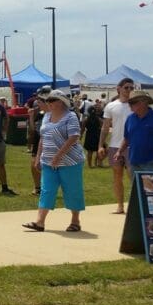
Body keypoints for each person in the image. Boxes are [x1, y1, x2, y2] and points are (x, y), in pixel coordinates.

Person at [23, 90, 85, 233]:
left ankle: (75, 221)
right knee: (46, 190)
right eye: (48, 101)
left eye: (52, 100)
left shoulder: (71, 116)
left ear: (61, 102)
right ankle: (40, 222)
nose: (48, 103)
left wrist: (58, 156)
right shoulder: (47, 117)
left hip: (70, 161)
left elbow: (74, 137)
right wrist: (38, 157)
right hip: (48, 161)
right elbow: (43, 138)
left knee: (72, 190)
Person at [98, 78, 134, 214]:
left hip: (132, 146)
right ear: (119, 88)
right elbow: (105, 127)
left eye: (131, 88)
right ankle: (120, 206)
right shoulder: (111, 106)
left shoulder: (135, 105)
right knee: (117, 176)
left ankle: (134, 206)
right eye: (127, 87)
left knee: (133, 177)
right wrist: (101, 145)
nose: (129, 90)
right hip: (114, 146)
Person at [118, 90, 153, 172]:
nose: (130, 105)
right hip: (134, 162)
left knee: (150, 185)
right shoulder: (130, 118)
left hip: (152, 162)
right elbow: (127, 139)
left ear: (144, 102)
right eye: (129, 103)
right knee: (136, 185)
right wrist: (119, 151)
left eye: (133, 102)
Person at [26, 86, 52, 196]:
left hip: (51, 139)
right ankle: (37, 187)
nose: (39, 100)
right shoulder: (38, 108)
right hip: (39, 137)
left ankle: (49, 187)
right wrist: (31, 117)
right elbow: (33, 129)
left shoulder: (56, 108)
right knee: (34, 163)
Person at [80, 99, 104, 168]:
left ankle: (90, 165)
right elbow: (101, 127)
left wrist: (81, 136)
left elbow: (82, 129)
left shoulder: (86, 119)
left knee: (90, 151)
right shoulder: (99, 119)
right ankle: (96, 163)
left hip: (89, 135)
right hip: (97, 135)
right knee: (97, 150)